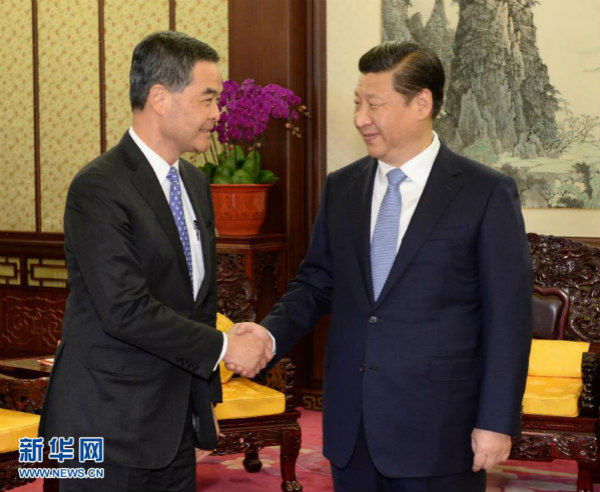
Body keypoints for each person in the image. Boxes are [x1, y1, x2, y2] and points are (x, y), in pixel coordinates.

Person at [232, 41, 533, 492]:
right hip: (351, 427)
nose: (360, 118)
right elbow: (316, 283)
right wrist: (268, 334)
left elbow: (508, 318)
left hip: (440, 428)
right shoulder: (343, 187)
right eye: (357, 103)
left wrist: (496, 421)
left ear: (421, 104)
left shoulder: (484, 192)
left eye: (374, 104)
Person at [39, 31, 272, 492]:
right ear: (160, 98)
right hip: (103, 427)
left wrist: (203, 408)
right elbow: (125, 310)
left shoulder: (195, 184)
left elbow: (197, 305)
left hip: (173, 429)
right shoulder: (99, 187)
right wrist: (225, 347)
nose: (217, 114)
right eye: (208, 99)